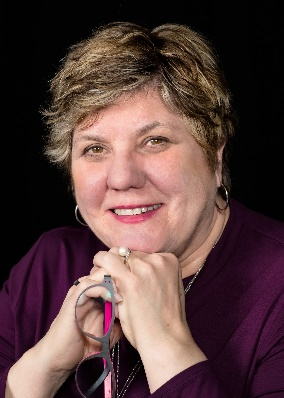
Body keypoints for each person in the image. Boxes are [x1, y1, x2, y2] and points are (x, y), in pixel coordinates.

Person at [0, 21, 283, 398]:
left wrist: (165, 343)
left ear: (215, 154)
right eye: (95, 148)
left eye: (154, 140)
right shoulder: (45, 269)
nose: (121, 178)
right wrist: (38, 374)